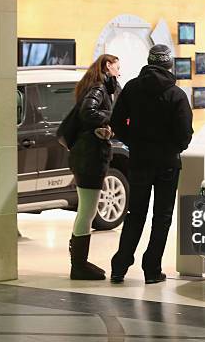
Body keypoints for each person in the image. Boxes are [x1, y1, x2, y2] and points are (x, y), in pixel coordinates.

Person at [110, 44, 194, 284]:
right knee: (162, 217)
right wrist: (175, 147)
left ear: (149, 61)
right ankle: (152, 269)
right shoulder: (176, 94)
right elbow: (185, 132)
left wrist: (133, 141)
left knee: (135, 213)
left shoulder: (132, 88)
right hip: (167, 162)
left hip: (138, 160)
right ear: (169, 64)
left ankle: (120, 266)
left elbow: (116, 122)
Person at [68, 54, 121, 280]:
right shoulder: (99, 88)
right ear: (108, 66)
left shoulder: (93, 86)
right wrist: (112, 118)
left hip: (85, 156)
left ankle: (79, 263)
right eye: (118, 67)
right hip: (89, 158)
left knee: (86, 210)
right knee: (88, 210)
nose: (119, 72)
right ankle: (78, 265)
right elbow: (88, 113)